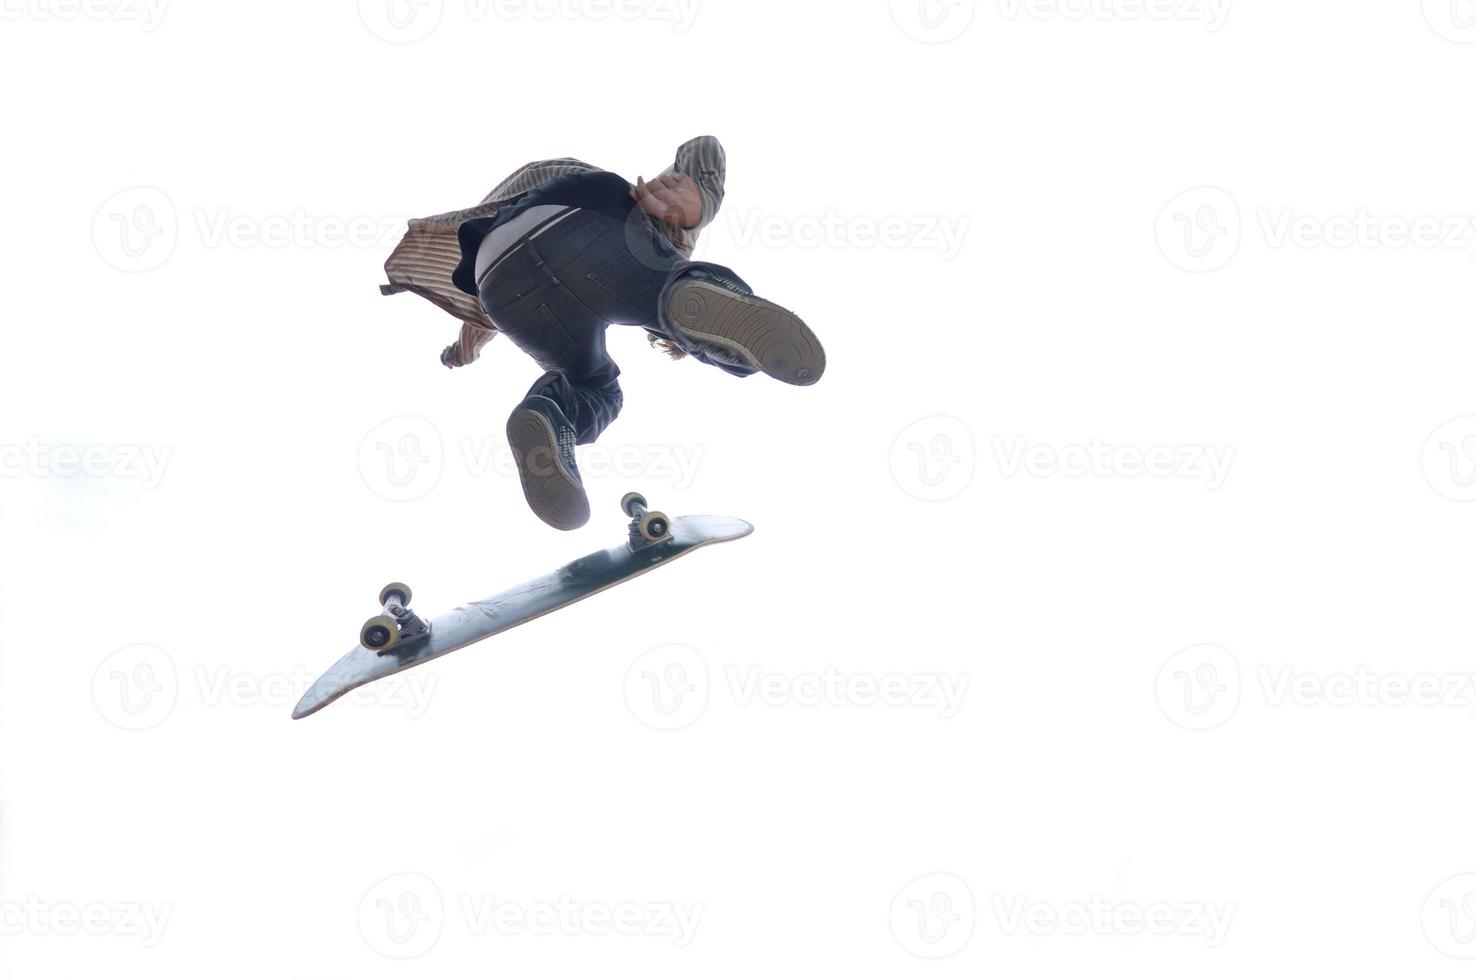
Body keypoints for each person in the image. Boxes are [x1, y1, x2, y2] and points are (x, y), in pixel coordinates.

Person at [379, 136, 825, 530]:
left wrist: (460, 352)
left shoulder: (654, 240)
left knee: (589, 380)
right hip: (585, 216)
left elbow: (704, 146)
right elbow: (702, 149)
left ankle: (550, 417)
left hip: (494, 267)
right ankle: (685, 309)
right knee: (671, 305)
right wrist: (698, 205)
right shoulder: (664, 225)